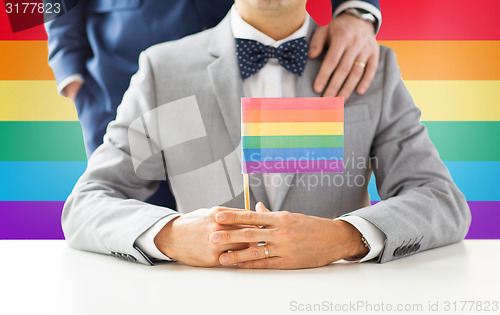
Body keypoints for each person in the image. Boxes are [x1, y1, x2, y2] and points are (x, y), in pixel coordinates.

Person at [62, 0, 471, 269]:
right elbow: (87, 204)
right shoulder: (162, 70)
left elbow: (441, 200)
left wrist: (344, 238)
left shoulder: (371, 68)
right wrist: (169, 236)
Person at [45, 0, 382, 156]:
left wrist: (357, 9)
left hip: (257, 62)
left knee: (278, 214)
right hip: (118, 74)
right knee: (133, 227)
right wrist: (67, 67)